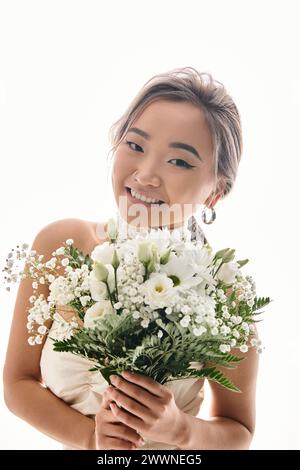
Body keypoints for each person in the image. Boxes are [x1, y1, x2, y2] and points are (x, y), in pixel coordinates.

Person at [3, 66, 258, 450]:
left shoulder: (225, 289)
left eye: (179, 161)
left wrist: (182, 431)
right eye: (135, 146)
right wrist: (91, 438)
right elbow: (17, 384)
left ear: (215, 193)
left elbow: (239, 431)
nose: (146, 175)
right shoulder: (61, 245)